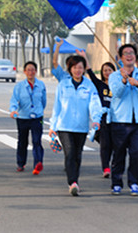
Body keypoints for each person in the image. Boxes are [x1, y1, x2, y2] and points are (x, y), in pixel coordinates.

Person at [49, 55, 102, 196]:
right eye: (74, 67)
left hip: (81, 127)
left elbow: (94, 103)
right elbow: (57, 107)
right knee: (70, 152)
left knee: (77, 155)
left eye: (80, 67)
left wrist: (96, 119)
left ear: (84, 69)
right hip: (64, 126)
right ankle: (72, 182)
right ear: (70, 69)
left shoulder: (89, 86)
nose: (78, 70)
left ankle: (75, 181)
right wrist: (52, 127)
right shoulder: (63, 85)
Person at [108, 44, 138, 196]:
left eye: (132, 53)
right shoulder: (115, 75)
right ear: (121, 58)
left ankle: (134, 182)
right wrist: (124, 80)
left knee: (136, 153)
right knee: (119, 154)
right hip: (120, 121)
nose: (129, 55)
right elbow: (117, 93)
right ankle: (116, 182)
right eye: (126, 53)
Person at [77, 50, 116, 179]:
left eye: (110, 70)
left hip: (117, 118)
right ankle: (105, 167)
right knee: (105, 144)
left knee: (114, 144)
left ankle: (114, 164)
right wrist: (84, 57)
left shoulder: (118, 85)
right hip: (103, 117)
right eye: (105, 70)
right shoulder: (98, 84)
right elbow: (90, 72)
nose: (107, 72)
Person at [9, 61, 46, 175]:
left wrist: (38, 111)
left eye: (33, 70)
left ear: (36, 71)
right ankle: (21, 163)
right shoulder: (19, 86)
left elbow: (43, 101)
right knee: (22, 141)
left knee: (36, 141)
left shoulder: (41, 85)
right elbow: (14, 100)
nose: (31, 72)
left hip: (37, 117)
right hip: (23, 117)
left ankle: (38, 163)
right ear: (25, 72)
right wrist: (13, 110)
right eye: (28, 70)